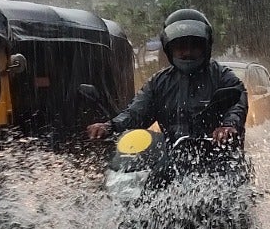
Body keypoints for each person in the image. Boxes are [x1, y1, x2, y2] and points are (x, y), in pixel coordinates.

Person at [87, 9, 247, 145]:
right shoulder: (158, 83)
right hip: (170, 161)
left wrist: (228, 127)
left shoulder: (224, 77)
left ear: (205, 47)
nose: (187, 53)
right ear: (169, 49)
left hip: (220, 162)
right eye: (180, 47)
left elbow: (237, 106)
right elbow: (136, 114)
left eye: (194, 47)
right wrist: (110, 126)